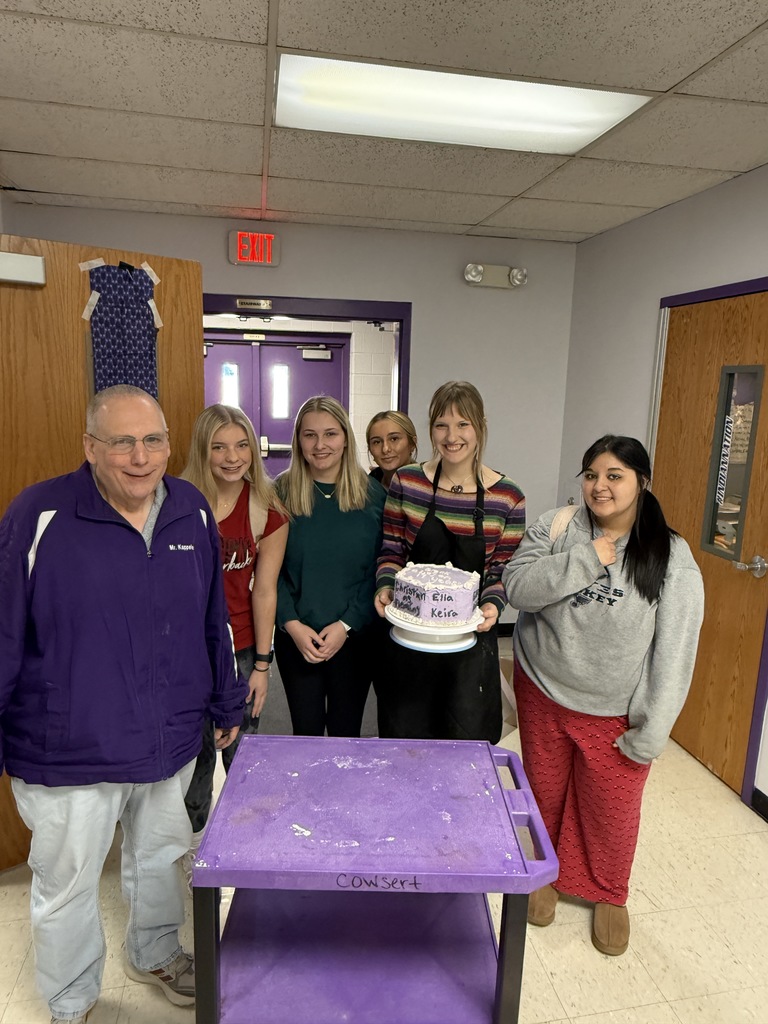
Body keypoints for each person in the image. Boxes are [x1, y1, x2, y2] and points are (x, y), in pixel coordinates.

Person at [0, 385, 246, 1023]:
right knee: (68, 883)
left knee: (163, 856)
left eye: (154, 440)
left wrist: (225, 702)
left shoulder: (190, 510)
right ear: (90, 447)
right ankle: (71, 999)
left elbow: (211, 618)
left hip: (168, 734)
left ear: (170, 443)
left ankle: (157, 951)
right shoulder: (39, 515)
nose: (141, 457)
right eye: (122, 442)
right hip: (68, 743)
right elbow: (2, 631)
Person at [503, 434, 704, 957]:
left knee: (611, 807)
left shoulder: (671, 555)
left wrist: (655, 726)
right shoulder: (558, 527)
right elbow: (517, 588)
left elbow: (674, 651)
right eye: (591, 475)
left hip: (614, 708)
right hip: (544, 688)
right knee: (544, 791)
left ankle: (608, 891)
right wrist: (588, 558)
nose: (600, 486)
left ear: (642, 482)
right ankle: (546, 872)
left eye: (615, 475)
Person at [375, 381, 526, 741]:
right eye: (442, 425)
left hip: (470, 642)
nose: (452, 436)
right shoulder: (407, 482)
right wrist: (384, 586)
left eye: (463, 425)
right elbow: (392, 549)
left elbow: (502, 568)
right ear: (430, 429)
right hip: (410, 638)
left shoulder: (507, 496)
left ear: (481, 426)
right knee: (405, 740)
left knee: (466, 743)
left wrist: (492, 604)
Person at [180, 405, 288, 863]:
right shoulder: (176, 501)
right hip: (182, 649)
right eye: (219, 446)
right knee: (192, 751)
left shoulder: (267, 510)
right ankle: (189, 842)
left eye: (242, 444)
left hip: (240, 648)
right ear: (202, 449)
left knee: (241, 748)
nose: (232, 456)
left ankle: (246, 845)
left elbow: (264, 592)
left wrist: (262, 665)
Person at [275, 396, 385, 736]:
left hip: (354, 637)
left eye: (330, 434)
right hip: (297, 637)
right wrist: (291, 623)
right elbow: (267, 572)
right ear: (298, 441)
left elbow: (381, 571)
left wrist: (347, 624)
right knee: (305, 731)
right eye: (309, 435)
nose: (320, 445)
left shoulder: (373, 496)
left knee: (345, 731)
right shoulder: (279, 493)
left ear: (345, 438)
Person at [366, 410, 418, 488]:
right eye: (377, 442)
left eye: (394, 439)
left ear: (412, 444)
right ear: (369, 449)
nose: (385, 449)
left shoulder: (428, 490)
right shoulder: (366, 488)